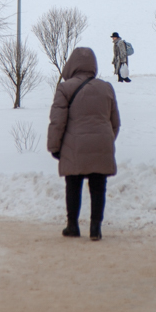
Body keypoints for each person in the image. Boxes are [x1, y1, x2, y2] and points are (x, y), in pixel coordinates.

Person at [47, 47, 120, 240]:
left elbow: (57, 121)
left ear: (71, 65)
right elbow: (115, 122)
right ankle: (96, 228)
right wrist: (106, 140)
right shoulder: (106, 88)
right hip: (102, 144)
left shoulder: (65, 88)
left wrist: (55, 147)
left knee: (73, 183)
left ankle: (72, 226)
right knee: (98, 186)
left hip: (75, 146)